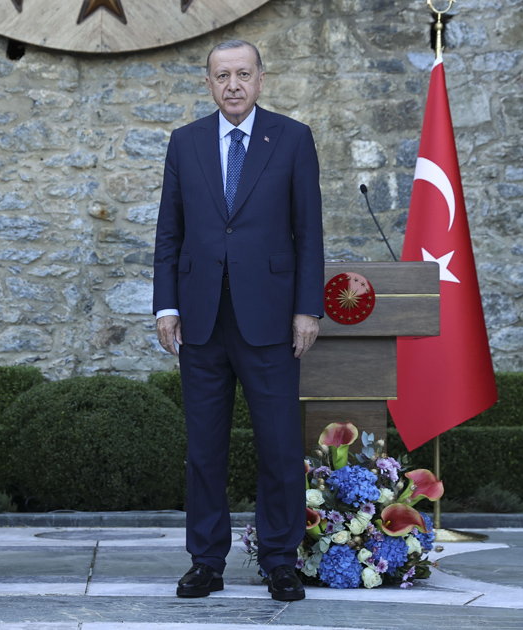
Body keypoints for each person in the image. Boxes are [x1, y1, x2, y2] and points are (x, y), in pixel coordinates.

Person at [152, 40, 324, 602]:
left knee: (277, 446)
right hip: (201, 321)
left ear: (260, 79)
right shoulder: (185, 143)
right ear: (208, 83)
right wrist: (167, 304)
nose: (232, 85)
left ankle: (279, 559)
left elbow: (309, 233)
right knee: (204, 450)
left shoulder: (293, 139)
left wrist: (307, 308)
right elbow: (169, 233)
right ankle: (206, 561)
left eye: (242, 74)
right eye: (222, 75)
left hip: (272, 320)